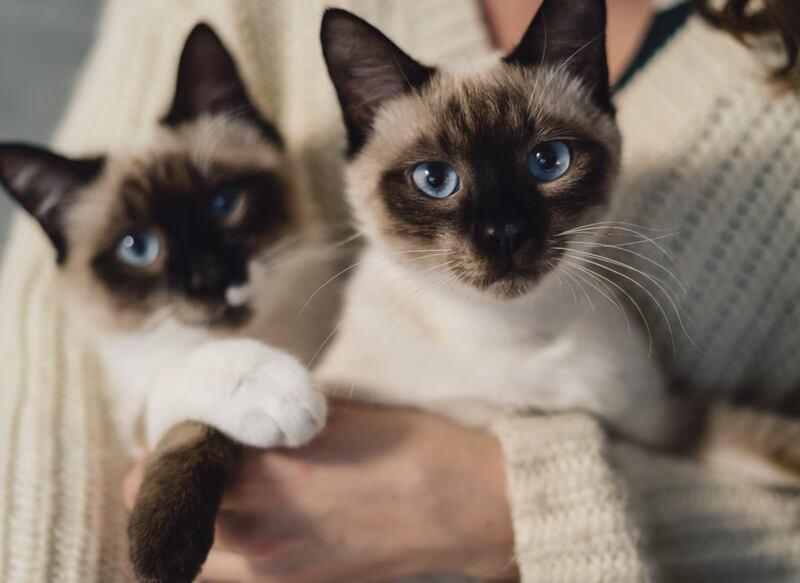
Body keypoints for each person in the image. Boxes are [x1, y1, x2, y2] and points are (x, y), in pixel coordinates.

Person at [1, 1, 799, 582]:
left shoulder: (613, 329)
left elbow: (687, 427)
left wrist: (495, 506)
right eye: (435, 179)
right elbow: (51, 379)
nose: (503, 232)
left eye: (546, 164)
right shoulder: (361, 334)